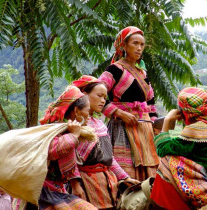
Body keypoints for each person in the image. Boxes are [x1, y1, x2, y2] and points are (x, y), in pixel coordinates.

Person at [14, 86, 97, 210]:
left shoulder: (66, 131)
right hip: (41, 193)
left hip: (55, 190)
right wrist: (74, 135)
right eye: (88, 110)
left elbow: (70, 158)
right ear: (77, 112)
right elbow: (54, 151)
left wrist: (75, 185)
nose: (90, 115)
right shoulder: (53, 131)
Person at [98, 26, 159, 180]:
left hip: (145, 131)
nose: (139, 48)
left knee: (149, 177)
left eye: (142, 45)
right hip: (122, 129)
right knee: (125, 175)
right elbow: (95, 93)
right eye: (135, 43)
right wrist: (118, 113)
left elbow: (151, 103)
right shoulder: (114, 70)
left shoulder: (143, 73)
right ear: (124, 46)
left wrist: (155, 126)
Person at [71, 75, 139, 209]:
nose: (103, 101)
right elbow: (70, 159)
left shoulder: (100, 124)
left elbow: (109, 158)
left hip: (106, 183)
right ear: (84, 95)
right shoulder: (74, 126)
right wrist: (75, 185)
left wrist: (125, 178)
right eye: (99, 96)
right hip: (84, 184)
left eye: (104, 97)